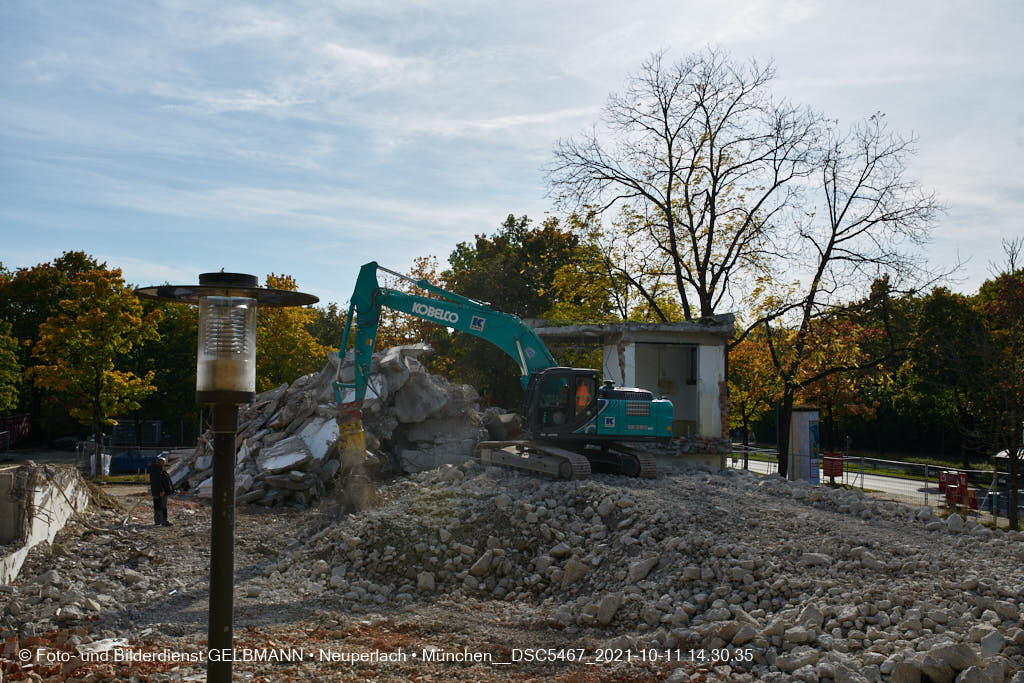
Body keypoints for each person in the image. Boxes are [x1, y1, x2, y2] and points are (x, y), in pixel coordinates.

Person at [149, 455, 174, 527]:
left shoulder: (158, 469)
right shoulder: (156, 470)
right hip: (159, 492)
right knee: (161, 506)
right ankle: (163, 521)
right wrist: (161, 490)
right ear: (158, 462)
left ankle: (158, 521)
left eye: (164, 462)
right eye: (162, 462)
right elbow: (157, 482)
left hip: (158, 491)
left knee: (158, 506)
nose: (163, 463)